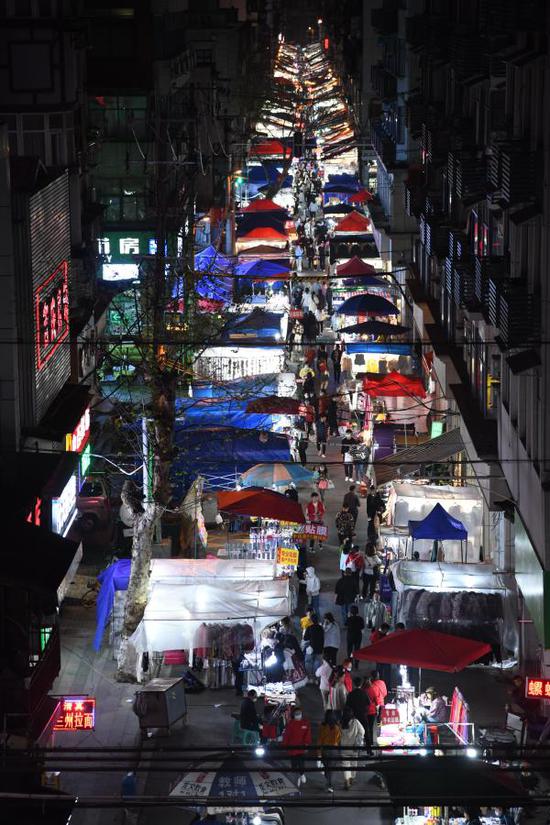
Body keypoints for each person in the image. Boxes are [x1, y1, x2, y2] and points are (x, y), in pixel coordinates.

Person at [282, 707, 312, 788]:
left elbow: (307, 735)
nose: (298, 715)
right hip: (292, 749)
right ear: (293, 715)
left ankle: (302, 774)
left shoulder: (305, 723)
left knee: (302, 763)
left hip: (301, 748)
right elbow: (286, 736)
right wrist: (285, 745)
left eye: (299, 714)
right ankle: (296, 778)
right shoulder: (290, 724)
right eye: (296, 714)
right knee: (294, 764)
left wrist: (306, 744)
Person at [340, 707, 365, 790]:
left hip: (344, 748)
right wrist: (358, 740)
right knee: (354, 764)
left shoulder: (341, 722)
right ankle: (352, 779)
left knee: (345, 765)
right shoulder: (355, 722)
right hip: (354, 748)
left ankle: (347, 780)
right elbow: (362, 731)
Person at [317, 710, 341, 793]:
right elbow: (338, 740)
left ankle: (328, 783)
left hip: (325, 750)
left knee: (327, 768)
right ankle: (330, 785)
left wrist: (319, 753)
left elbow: (320, 740)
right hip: (334, 750)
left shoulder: (322, 727)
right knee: (331, 769)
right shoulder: (337, 727)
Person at [303, 614, 324, 680]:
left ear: (311, 620)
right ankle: (316, 678)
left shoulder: (309, 628)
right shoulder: (321, 628)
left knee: (309, 662)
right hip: (319, 648)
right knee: (317, 663)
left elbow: (305, 638)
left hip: (310, 648)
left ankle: (310, 677)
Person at [362, 676, 379, 750]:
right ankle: (371, 742)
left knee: (365, 727)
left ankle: (365, 742)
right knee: (371, 727)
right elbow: (377, 701)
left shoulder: (362, 690)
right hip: (372, 711)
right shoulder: (373, 689)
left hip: (364, 711)